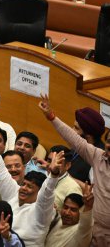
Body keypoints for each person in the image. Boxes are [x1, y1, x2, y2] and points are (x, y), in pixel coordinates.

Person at [0, 118, 62, 246]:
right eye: (25, 184)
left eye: (30, 187)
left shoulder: (41, 212)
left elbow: (47, 194)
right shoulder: (13, 194)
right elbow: (0, 172)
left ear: (39, 192)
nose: (24, 188)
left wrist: (53, 175)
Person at [39, 94, 110, 247]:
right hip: (92, 232)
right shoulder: (98, 156)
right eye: (109, 141)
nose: (109, 146)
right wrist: (51, 117)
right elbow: (74, 139)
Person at [69, 107, 105, 183]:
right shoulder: (77, 144)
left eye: (76, 128)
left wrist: (61, 175)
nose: (72, 130)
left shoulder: (100, 158)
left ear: (88, 136)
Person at [42, 145, 82, 210]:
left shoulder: (73, 189)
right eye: (49, 161)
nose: (51, 165)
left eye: (57, 162)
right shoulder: (41, 176)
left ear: (67, 166)